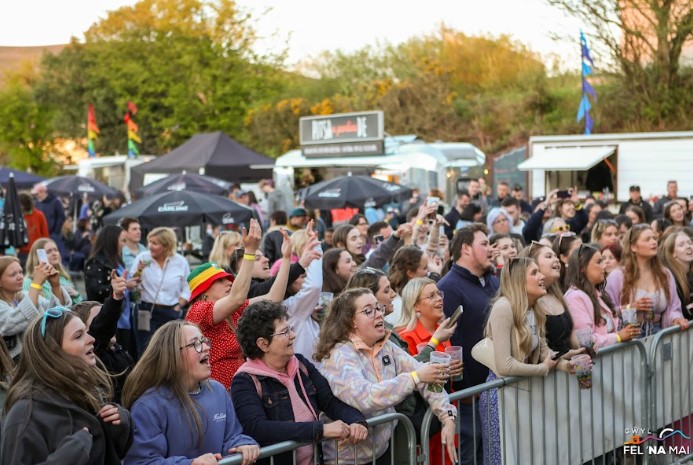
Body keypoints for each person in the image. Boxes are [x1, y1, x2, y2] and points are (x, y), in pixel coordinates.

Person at [315, 288, 458, 465]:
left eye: (378, 308)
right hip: (346, 459)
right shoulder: (340, 354)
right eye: (368, 311)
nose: (378, 314)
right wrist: (414, 378)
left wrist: (448, 416)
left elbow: (427, 377)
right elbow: (364, 397)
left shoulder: (386, 346)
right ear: (351, 321)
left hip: (382, 452)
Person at [232, 301, 368, 465]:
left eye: (290, 329)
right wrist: (320, 429)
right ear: (263, 344)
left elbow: (329, 400)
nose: (293, 335)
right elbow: (257, 428)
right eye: (285, 332)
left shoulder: (301, 364)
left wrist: (356, 420)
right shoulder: (245, 380)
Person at [1, 306, 132, 464]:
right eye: (78, 336)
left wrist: (120, 424)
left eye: (86, 332)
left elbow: (109, 453)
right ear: (52, 351)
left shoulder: (87, 391)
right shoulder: (24, 414)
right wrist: (67, 459)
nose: (91, 339)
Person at [479, 257, 576, 465]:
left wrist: (565, 364)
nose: (541, 277)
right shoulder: (503, 308)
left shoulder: (534, 308)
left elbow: (544, 352)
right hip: (500, 398)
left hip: (521, 394)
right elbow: (504, 365)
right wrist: (542, 369)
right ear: (518, 280)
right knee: (503, 459)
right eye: (534, 273)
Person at [122, 321, 260, 465]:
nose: (206, 347)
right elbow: (142, 462)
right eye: (196, 344)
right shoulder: (148, 406)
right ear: (172, 354)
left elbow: (232, 437)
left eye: (204, 341)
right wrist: (191, 463)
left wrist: (242, 445)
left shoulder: (218, 391)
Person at [185, 219, 291, 388]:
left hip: (240, 386)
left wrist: (286, 259)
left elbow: (274, 298)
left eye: (228, 279)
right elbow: (238, 297)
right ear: (204, 292)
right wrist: (250, 251)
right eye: (220, 281)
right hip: (216, 390)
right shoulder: (198, 310)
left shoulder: (234, 310)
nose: (229, 283)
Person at [437, 223, 499, 465]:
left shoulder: (492, 282)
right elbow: (452, 341)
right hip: (468, 397)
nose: (490, 249)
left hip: (495, 387)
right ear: (466, 249)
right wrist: (463, 390)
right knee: (470, 455)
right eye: (484, 244)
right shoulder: (448, 287)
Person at [605, 224, 689, 337]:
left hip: (659, 335)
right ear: (633, 247)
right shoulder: (618, 276)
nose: (653, 242)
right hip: (630, 337)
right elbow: (608, 313)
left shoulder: (665, 274)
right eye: (647, 239)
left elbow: (673, 307)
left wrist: (676, 319)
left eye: (654, 238)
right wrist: (631, 308)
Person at [72, 271, 133, 403]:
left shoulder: (117, 349)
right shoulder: (96, 353)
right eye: (99, 319)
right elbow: (101, 328)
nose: (110, 323)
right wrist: (116, 298)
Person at [565, 244, 640, 349]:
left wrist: (626, 328)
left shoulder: (596, 293)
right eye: (599, 262)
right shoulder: (575, 298)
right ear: (582, 267)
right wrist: (618, 337)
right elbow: (585, 341)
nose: (604, 266)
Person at [129, 227, 191, 354]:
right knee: (146, 352)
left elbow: (187, 287)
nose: (150, 246)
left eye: (154, 243)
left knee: (171, 352)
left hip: (171, 312)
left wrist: (178, 306)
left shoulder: (180, 262)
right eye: (149, 242)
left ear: (166, 245)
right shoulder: (143, 258)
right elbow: (134, 287)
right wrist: (139, 272)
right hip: (146, 311)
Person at [0, 256, 71, 361]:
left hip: (40, 358)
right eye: (13, 274)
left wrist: (55, 285)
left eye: (20, 272)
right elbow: (12, 323)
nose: (20, 277)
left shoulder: (25, 295)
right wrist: (36, 283)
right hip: (16, 365)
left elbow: (55, 312)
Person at [521, 241, 577, 353]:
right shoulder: (528, 301)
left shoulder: (558, 296)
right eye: (548, 256)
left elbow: (571, 337)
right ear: (532, 263)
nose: (556, 260)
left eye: (556, 256)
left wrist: (583, 349)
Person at [24, 237, 81, 303]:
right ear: (38, 256)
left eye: (56, 250)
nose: (54, 253)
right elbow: (30, 307)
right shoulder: (29, 282)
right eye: (49, 251)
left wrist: (75, 295)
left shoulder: (62, 277)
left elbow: (79, 304)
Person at [659, 229, 693, 319]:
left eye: (690, 243)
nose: (688, 247)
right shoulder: (670, 279)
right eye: (681, 245)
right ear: (672, 253)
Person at [32, 182, 67, 257]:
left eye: (37, 194)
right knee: (41, 253)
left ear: (42, 192)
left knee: (54, 253)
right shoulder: (37, 203)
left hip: (52, 233)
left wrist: (56, 230)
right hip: (40, 233)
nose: (36, 196)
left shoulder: (55, 202)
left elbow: (61, 217)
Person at [17, 192, 50, 266]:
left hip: (37, 252)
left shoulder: (39, 215)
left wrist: (45, 249)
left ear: (25, 204)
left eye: (20, 204)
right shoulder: (17, 216)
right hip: (22, 253)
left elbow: (45, 235)